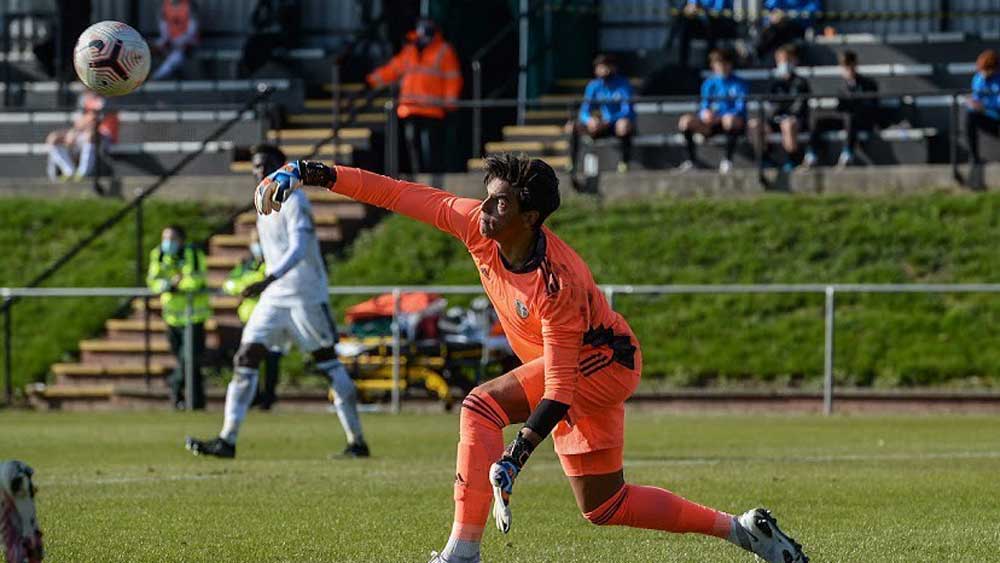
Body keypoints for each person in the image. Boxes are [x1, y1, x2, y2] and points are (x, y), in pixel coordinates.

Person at [253, 156, 810, 563]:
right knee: (605, 505)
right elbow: (396, 193)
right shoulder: (477, 224)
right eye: (488, 195)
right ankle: (742, 531)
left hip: (603, 364)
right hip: (574, 369)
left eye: (502, 202)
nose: (487, 208)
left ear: (532, 215)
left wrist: (515, 457)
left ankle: (461, 554)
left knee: (480, 406)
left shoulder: (557, 282)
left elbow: (560, 390)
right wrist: (308, 171)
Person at [185, 144, 370, 459]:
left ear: (281, 165)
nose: (260, 171)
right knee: (245, 358)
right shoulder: (262, 202)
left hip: (304, 294)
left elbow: (299, 247)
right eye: (256, 166)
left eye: (266, 164)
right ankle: (227, 440)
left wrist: (269, 278)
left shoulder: (295, 199)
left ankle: (357, 441)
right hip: (273, 297)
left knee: (328, 363)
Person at [367, 18, 462, 174]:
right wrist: (371, 79)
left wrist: (450, 101)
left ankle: (431, 177)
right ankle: (418, 177)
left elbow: (452, 78)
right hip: (410, 108)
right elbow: (393, 69)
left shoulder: (444, 50)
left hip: (432, 110)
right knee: (413, 146)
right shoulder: (410, 50)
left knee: (430, 148)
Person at [147, 225, 211, 410]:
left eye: (172, 239)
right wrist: (168, 284)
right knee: (187, 363)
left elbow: (196, 279)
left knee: (187, 360)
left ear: (181, 240)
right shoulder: (158, 254)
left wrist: (178, 284)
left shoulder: (192, 254)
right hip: (172, 318)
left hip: (193, 318)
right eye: (165, 238)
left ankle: (175, 391)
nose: (168, 243)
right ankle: (197, 403)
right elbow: (153, 281)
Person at [222, 230, 283, 410]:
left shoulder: (275, 262)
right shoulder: (246, 264)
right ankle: (252, 396)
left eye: (260, 240)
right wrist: (245, 287)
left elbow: (272, 282)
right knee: (250, 359)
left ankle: (269, 397)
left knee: (271, 359)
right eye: (255, 241)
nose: (257, 245)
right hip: (249, 318)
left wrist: (254, 285)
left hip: (271, 318)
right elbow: (229, 283)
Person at [803, 50, 879, 168]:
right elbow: (840, 107)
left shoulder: (868, 83)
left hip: (861, 120)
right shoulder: (843, 86)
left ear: (855, 65)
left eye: (849, 65)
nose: (847, 69)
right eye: (845, 66)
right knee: (818, 118)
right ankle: (811, 154)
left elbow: (871, 106)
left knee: (850, 116)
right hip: (846, 118)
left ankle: (847, 154)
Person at [677, 49, 748, 174]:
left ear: (730, 65)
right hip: (711, 124)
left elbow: (740, 108)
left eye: (725, 64)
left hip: (732, 123)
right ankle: (691, 161)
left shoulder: (739, 83)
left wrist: (721, 116)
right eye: (718, 64)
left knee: (729, 120)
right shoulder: (709, 84)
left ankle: (727, 160)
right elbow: (704, 105)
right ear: (713, 66)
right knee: (685, 121)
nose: (722, 67)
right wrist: (705, 113)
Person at [566, 54, 636, 174]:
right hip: (599, 126)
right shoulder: (594, 85)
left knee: (623, 125)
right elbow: (584, 110)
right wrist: (590, 120)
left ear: (613, 68)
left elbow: (627, 111)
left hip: (615, 125)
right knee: (572, 126)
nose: (603, 70)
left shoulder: (623, 84)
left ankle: (624, 163)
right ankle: (572, 163)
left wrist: (609, 121)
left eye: (606, 67)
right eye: (599, 67)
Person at [748, 43, 811, 170]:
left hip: (794, 120)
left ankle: (792, 160)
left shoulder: (800, 82)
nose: (783, 63)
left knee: (788, 124)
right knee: (754, 124)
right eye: (780, 60)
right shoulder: (774, 83)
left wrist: (785, 114)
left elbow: (799, 107)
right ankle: (764, 158)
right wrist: (776, 114)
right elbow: (770, 106)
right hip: (776, 119)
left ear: (794, 61)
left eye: (786, 60)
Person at [46, 91, 119, 182]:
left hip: (105, 137)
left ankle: (82, 173)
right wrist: (72, 133)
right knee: (53, 138)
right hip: (82, 134)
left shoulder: (106, 98)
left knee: (90, 134)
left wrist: (74, 132)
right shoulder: (84, 98)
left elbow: (94, 119)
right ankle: (69, 171)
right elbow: (79, 121)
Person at [236, 0, 302, 78]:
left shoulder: (290, 3)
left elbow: (292, 26)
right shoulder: (265, 3)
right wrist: (264, 20)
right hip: (266, 37)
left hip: (282, 37)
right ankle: (248, 71)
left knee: (261, 45)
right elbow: (255, 21)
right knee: (253, 44)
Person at [673, 0, 739, 69]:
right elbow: (691, 6)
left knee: (712, 26)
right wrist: (692, 9)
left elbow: (718, 10)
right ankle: (683, 64)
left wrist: (701, 10)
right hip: (702, 22)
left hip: (720, 23)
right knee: (685, 27)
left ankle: (709, 64)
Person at [966, 49, 1000, 164]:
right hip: (987, 117)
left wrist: (984, 106)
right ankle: (974, 157)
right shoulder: (978, 78)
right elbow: (976, 98)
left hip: (997, 116)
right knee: (970, 117)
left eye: (987, 70)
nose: (983, 73)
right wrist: (973, 104)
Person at [755, 0, 820, 60]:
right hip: (778, 28)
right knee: (769, 33)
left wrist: (791, 15)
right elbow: (770, 7)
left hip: (798, 27)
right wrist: (775, 15)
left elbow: (814, 9)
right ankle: (756, 56)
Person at [151, 0, 200, 81]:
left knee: (178, 52)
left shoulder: (190, 5)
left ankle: (156, 77)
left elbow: (192, 30)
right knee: (152, 48)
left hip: (188, 41)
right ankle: (143, 75)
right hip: (171, 40)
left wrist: (181, 40)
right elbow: (163, 27)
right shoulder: (165, 5)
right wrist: (164, 40)